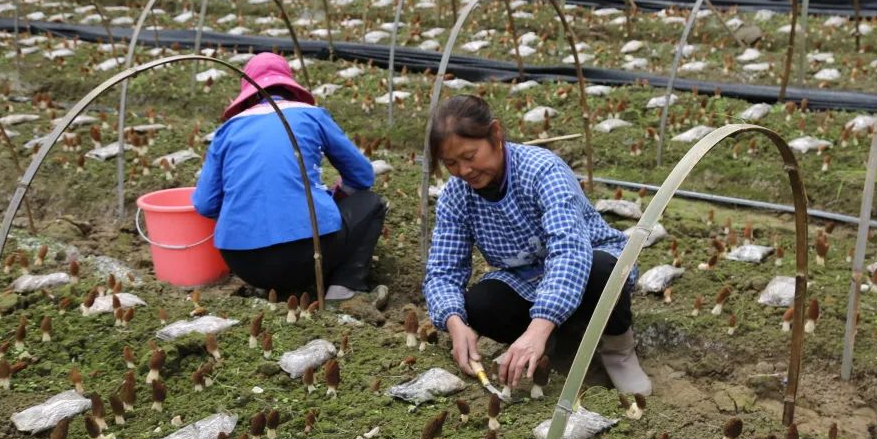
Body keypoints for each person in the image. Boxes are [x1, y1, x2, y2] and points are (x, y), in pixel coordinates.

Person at [422, 95, 651, 395]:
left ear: (496, 134)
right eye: (451, 163)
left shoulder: (542, 171)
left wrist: (538, 325)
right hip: (528, 279)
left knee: (603, 271)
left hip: (587, 261)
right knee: (479, 303)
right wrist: (454, 323)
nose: (464, 170)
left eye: (470, 156)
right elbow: (442, 271)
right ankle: (557, 342)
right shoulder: (457, 195)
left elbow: (570, 251)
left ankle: (618, 350)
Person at [192, 52, 386, 300]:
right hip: (309, 253)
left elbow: (205, 203)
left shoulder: (227, 131)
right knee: (371, 203)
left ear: (247, 94)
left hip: (242, 263)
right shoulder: (311, 115)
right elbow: (362, 176)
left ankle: (270, 287)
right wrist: (337, 194)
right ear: (289, 86)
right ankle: (344, 288)